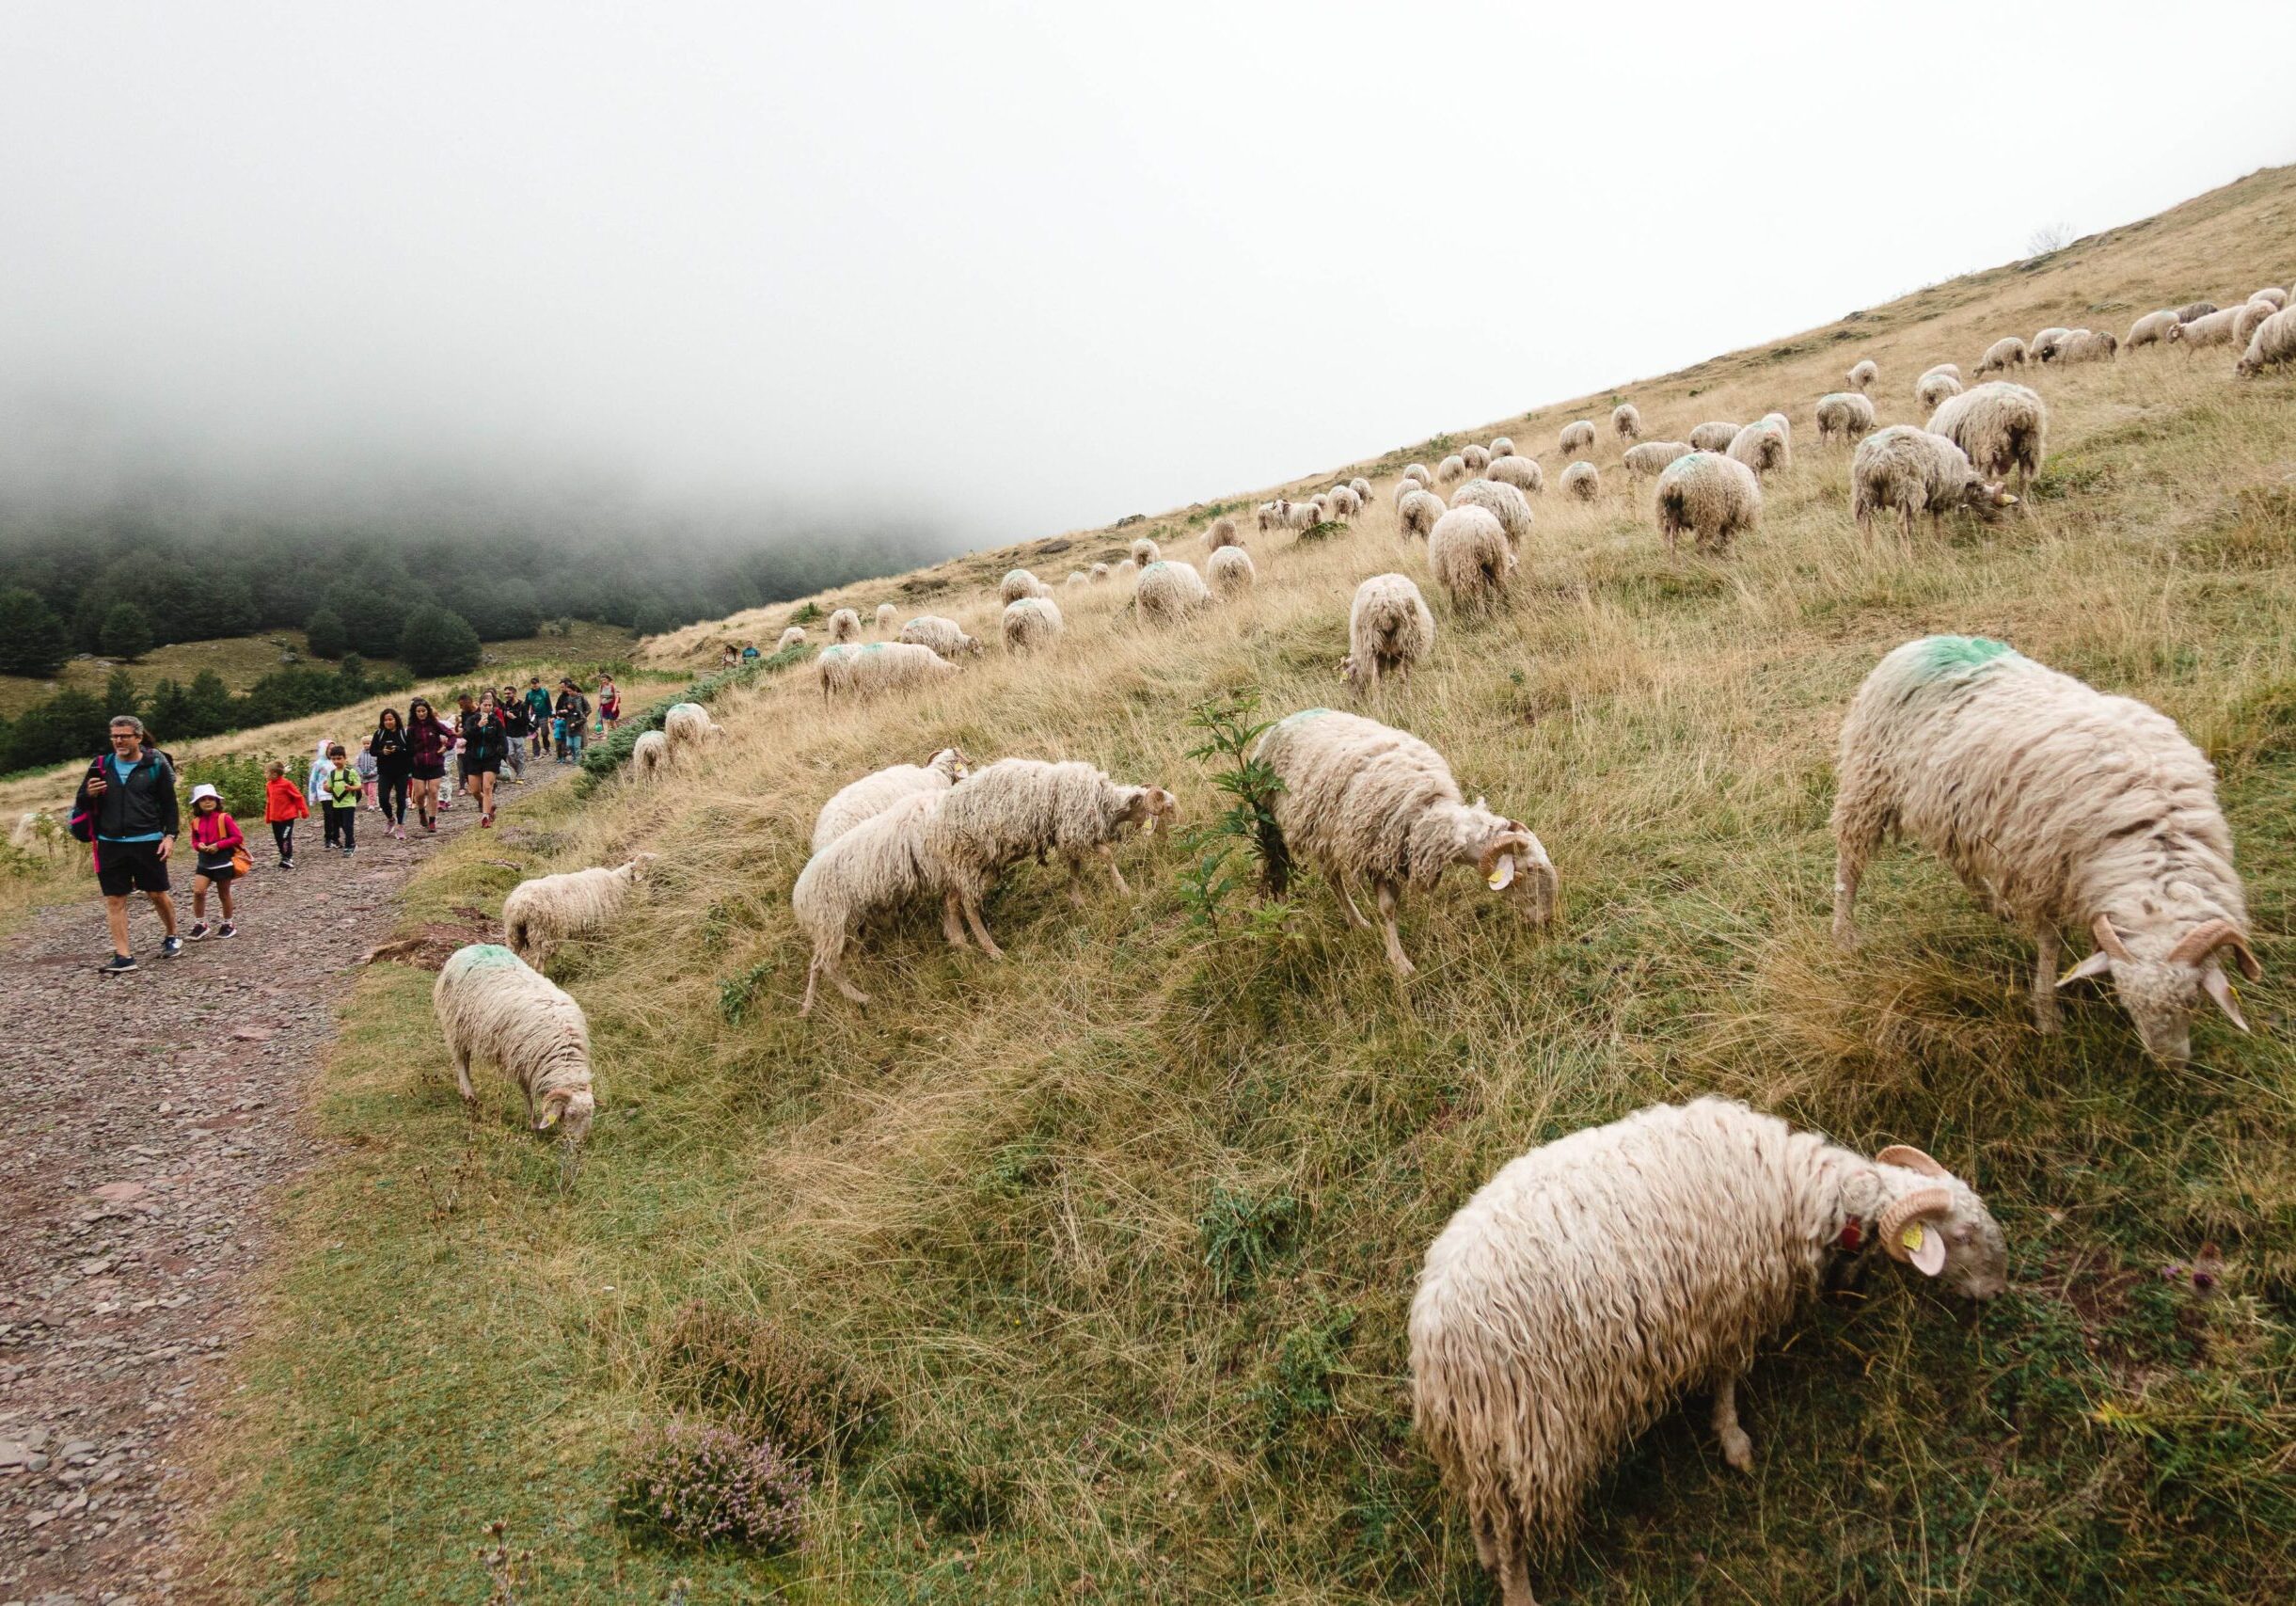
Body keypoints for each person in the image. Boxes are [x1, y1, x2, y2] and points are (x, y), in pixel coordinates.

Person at [71, 714, 182, 973]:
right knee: (115, 899)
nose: (118, 741)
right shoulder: (101, 764)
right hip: (110, 842)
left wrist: (170, 836)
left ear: (138, 737)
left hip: (148, 840)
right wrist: (89, 793)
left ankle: (172, 935)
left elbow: (169, 805)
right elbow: (81, 801)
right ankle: (124, 956)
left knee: (156, 893)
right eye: (114, 736)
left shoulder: (155, 765)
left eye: (124, 736)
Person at [184, 783, 245, 940]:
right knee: (198, 892)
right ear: (197, 804)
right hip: (204, 861)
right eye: (203, 799)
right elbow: (194, 841)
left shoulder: (224, 818)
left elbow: (238, 837)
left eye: (210, 798)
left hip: (223, 861)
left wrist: (218, 845)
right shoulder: (195, 821)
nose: (207, 802)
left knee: (223, 894)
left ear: (216, 801)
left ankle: (228, 924)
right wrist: (199, 846)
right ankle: (200, 924)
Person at [404, 696, 457, 832]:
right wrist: (412, 758)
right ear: (414, 713)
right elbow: (407, 747)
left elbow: (452, 735)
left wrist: (446, 747)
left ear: (428, 711)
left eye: (424, 711)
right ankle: (421, 812)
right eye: (418, 711)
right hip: (418, 765)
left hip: (435, 762)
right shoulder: (411, 728)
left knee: (433, 792)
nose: (421, 713)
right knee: (420, 793)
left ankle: (432, 821)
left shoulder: (435, 724)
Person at [460, 689, 510, 826]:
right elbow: (466, 735)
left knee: (487, 787)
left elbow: (503, 739)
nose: (487, 707)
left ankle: (485, 817)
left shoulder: (496, 721)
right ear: (480, 705)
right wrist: (478, 726)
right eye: (485, 705)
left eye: (490, 705)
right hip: (473, 758)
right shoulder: (472, 720)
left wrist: (501, 755)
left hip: (491, 758)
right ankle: (489, 806)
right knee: (475, 791)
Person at [371, 707, 413, 839]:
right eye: (385, 720)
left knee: (401, 799)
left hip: (402, 771)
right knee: (383, 798)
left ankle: (400, 826)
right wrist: (382, 752)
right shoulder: (379, 734)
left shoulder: (404, 733)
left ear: (396, 719)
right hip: (385, 771)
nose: (388, 722)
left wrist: (398, 749)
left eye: (391, 719)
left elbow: (411, 750)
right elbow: (372, 751)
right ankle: (390, 819)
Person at [263, 759, 309, 868]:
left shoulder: (287, 784)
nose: (264, 774)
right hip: (275, 818)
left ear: (274, 774)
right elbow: (269, 801)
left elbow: (298, 797)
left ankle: (287, 857)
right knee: (278, 838)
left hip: (287, 818)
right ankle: (284, 856)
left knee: (285, 837)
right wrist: (268, 816)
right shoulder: (269, 785)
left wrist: (303, 810)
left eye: (266, 772)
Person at [322, 742, 360, 854]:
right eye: (333, 759)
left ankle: (349, 846)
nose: (336, 761)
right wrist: (326, 788)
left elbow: (359, 786)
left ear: (345, 758)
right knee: (342, 825)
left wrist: (351, 788)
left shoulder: (351, 772)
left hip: (349, 803)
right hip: (336, 804)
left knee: (348, 825)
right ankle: (352, 843)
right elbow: (331, 789)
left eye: (339, 758)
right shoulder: (332, 774)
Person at [496, 685, 530, 782]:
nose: (506, 695)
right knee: (509, 755)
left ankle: (520, 775)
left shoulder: (522, 705)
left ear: (514, 693)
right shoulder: (505, 706)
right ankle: (518, 770)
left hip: (520, 734)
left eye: (508, 693)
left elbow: (526, 721)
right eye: (505, 694)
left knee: (520, 756)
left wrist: (514, 718)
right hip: (508, 734)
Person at [554, 677, 591, 763]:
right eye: (568, 691)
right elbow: (564, 710)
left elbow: (589, 709)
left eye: (570, 691)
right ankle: (575, 758)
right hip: (570, 723)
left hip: (581, 723)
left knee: (583, 741)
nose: (568, 693)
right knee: (572, 742)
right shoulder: (567, 699)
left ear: (575, 690)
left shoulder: (581, 697)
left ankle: (584, 758)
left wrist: (581, 718)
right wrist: (561, 713)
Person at [523, 677, 553, 756]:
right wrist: (525, 716)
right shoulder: (529, 694)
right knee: (533, 733)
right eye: (533, 683)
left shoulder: (544, 692)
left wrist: (551, 716)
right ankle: (536, 753)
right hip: (534, 716)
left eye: (535, 683)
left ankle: (547, 748)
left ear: (539, 683)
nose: (534, 685)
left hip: (544, 715)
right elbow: (526, 705)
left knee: (544, 733)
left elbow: (549, 704)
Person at [356, 736, 379, 808]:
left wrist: (373, 772)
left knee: (371, 790)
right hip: (364, 777)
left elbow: (379, 765)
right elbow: (357, 765)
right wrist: (360, 773)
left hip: (373, 777)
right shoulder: (360, 754)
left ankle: (371, 805)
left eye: (368, 743)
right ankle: (375, 798)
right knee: (366, 791)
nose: (366, 745)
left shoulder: (375, 753)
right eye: (364, 744)